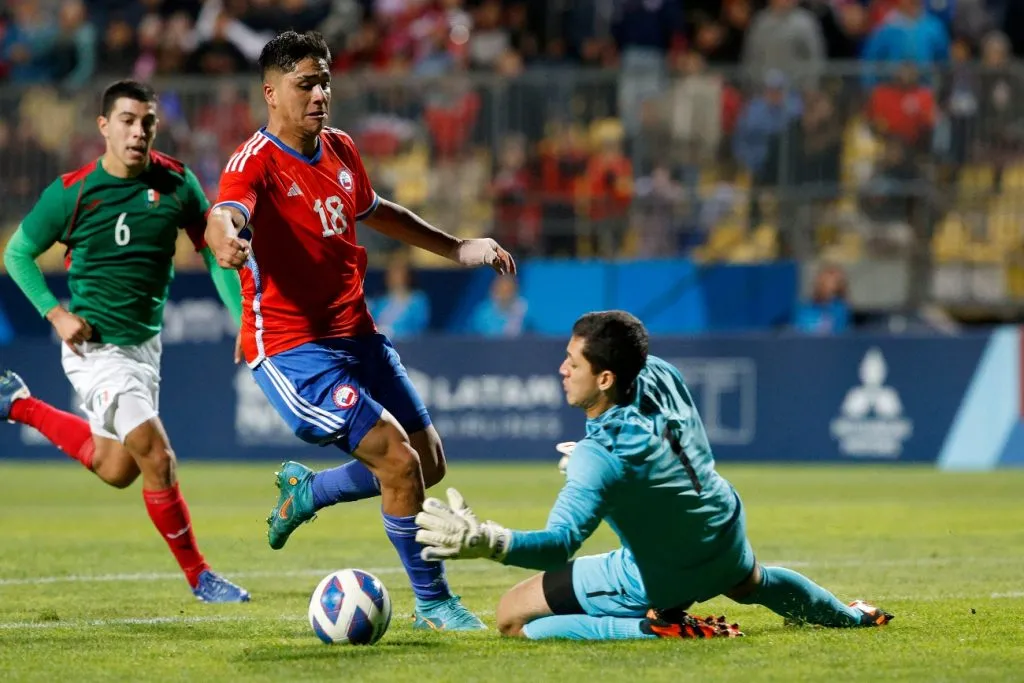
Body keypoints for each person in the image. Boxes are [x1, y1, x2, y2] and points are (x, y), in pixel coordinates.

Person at [204, 30, 516, 630]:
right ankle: (435, 604)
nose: (320, 93)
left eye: (325, 81)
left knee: (429, 463)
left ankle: (310, 494)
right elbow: (227, 214)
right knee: (399, 464)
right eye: (305, 83)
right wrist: (226, 241)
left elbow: (376, 210)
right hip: (294, 351)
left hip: (359, 335)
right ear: (271, 93)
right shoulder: (255, 163)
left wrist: (456, 247)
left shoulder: (342, 148)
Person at [415, 311, 893, 640]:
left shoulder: (599, 457)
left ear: (605, 378)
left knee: (512, 617)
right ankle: (852, 619)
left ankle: (655, 625)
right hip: (725, 535)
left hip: (662, 574)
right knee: (754, 583)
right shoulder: (659, 371)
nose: (561, 368)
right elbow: (650, 457)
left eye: (573, 362)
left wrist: (487, 541)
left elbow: (559, 543)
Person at [0, 79, 249, 603]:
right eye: (128, 121)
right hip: (95, 348)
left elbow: (212, 249)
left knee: (117, 469)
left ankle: (18, 405)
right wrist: (56, 314)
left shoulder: (178, 183)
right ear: (104, 127)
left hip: (144, 348)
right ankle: (201, 576)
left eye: (148, 123)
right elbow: (17, 253)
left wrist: (242, 319)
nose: (138, 132)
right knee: (157, 455)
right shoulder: (73, 192)